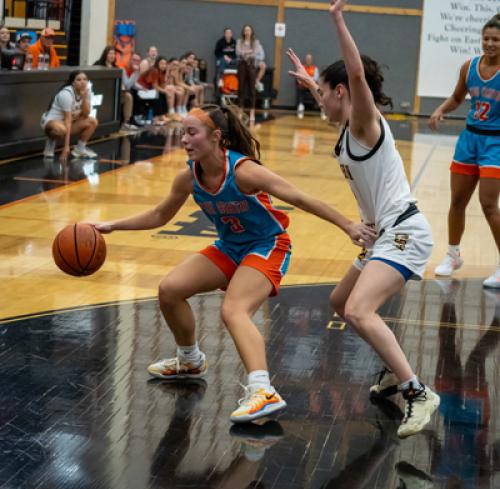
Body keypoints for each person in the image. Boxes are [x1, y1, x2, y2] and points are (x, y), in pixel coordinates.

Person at [90, 103, 376, 423]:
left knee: (233, 310)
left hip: (268, 245)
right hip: (230, 247)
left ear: (215, 137)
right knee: (170, 289)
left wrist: (348, 225)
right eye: (182, 132)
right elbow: (159, 215)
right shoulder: (188, 178)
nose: (184, 139)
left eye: (191, 132)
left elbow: (299, 198)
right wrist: (114, 225)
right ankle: (189, 360)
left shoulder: (243, 172)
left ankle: (262, 391)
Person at [287, 0, 440, 438]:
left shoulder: (365, 125)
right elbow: (337, 90)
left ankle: (416, 392)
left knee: (357, 308)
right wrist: (311, 82)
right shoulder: (345, 127)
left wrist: (338, 19)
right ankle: (394, 371)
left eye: (322, 89)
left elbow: (354, 77)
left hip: (405, 233)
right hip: (384, 236)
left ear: (343, 92)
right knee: (341, 302)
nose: (316, 97)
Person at [429, 14, 500, 288]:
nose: (490, 44)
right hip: (469, 140)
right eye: (486, 39)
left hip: (495, 143)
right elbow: (458, 97)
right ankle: (453, 254)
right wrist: (441, 109)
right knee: (457, 201)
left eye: (495, 39)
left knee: (488, 205)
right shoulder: (469, 67)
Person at [41, 70, 98, 160]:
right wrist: (66, 147)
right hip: (51, 123)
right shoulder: (66, 94)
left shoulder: (87, 91)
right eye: (79, 80)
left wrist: (84, 98)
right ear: (73, 83)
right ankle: (50, 142)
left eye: (85, 79)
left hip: (68, 122)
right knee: (60, 129)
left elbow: (86, 114)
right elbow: (68, 120)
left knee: (92, 121)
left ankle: (80, 148)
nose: (83, 82)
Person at [236, 24, 266, 122]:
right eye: (245, 30)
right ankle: (240, 111)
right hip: (242, 66)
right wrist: (247, 53)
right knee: (241, 88)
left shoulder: (255, 42)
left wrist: (246, 53)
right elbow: (238, 52)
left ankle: (252, 112)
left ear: (251, 32)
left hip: (251, 66)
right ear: (243, 32)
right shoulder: (239, 41)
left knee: (252, 89)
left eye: (249, 30)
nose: (247, 32)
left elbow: (254, 53)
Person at [296, 53, 319, 118]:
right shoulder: (302, 68)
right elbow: (298, 78)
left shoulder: (315, 69)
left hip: (311, 85)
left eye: (309, 59)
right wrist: (305, 81)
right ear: (305, 60)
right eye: (307, 59)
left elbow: (316, 78)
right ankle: (301, 104)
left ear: (311, 60)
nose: (308, 60)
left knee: (318, 89)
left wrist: (308, 81)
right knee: (299, 87)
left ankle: (320, 106)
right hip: (303, 85)